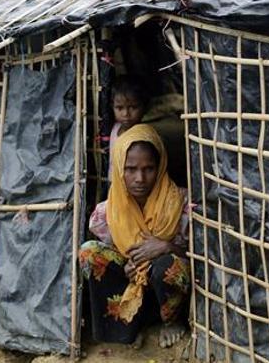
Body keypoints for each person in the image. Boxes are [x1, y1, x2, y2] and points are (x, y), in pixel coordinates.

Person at [81, 124, 190, 349]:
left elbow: (206, 257)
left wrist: (167, 247)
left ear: (160, 167)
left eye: (148, 168)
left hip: (165, 284)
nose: (140, 178)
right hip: (133, 282)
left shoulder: (181, 204)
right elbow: (116, 256)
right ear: (120, 168)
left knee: (168, 266)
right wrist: (128, 265)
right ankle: (128, 327)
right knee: (90, 252)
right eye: (131, 169)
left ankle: (171, 321)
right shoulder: (108, 212)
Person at [107, 77, 150, 180]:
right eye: (120, 108)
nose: (126, 114)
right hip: (113, 182)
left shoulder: (143, 135)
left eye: (133, 107)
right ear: (112, 107)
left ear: (144, 107)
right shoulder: (115, 128)